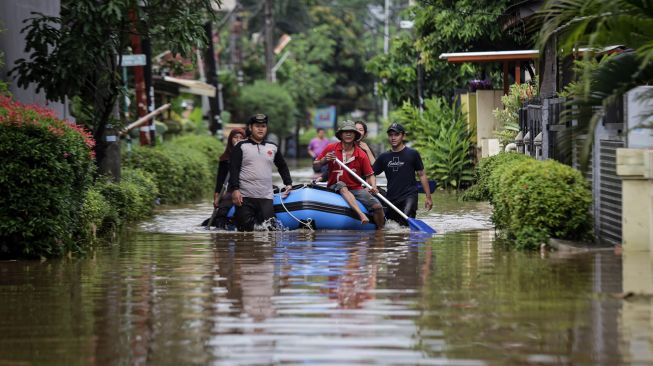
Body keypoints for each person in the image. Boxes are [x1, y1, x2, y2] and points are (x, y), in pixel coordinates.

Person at [313, 120, 385, 228]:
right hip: (335, 186)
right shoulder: (331, 148)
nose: (348, 134)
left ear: (355, 135)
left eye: (351, 132)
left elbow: (370, 174)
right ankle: (361, 215)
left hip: (356, 188)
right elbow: (315, 166)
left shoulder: (361, 154)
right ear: (341, 135)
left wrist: (373, 186)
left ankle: (380, 233)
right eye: (345, 132)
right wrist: (324, 160)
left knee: (378, 207)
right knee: (342, 185)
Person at [229, 114, 293, 231]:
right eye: (257, 126)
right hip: (245, 197)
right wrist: (235, 189)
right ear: (250, 128)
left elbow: (282, 166)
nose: (260, 129)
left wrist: (288, 183)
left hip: (266, 197)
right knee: (245, 232)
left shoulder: (272, 147)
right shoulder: (241, 146)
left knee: (269, 231)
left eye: (263, 126)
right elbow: (234, 169)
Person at [373, 122, 433, 226]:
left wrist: (428, 197)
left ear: (403, 136)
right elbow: (371, 174)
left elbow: (422, 175)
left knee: (405, 225)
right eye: (391, 135)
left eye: (396, 134)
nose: (393, 137)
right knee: (391, 226)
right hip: (391, 197)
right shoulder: (384, 157)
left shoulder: (412, 154)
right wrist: (373, 186)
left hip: (409, 196)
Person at [205, 128, 245, 228]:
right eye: (235, 137)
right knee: (223, 208)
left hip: (249, 188)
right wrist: (216, 197)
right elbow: (220, 181)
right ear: (230, 140)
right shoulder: (225, 159)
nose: (238, 140)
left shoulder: (249, 156)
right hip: (232, 190)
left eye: (241, 138)